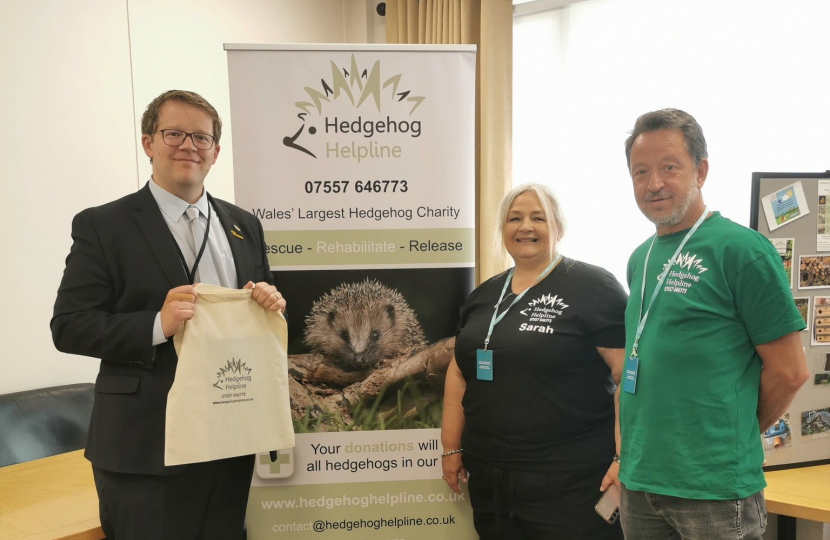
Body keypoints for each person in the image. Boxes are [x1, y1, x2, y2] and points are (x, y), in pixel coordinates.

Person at [51, 90, 285, 540]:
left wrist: (269, 303)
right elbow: (69, 326)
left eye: (201, 137)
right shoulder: (104, 225)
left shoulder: (244, 225)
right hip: (145, 446)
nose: (188, 146)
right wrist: (157, 325)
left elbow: (255, 313)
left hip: (230, 434)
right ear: (148, 143)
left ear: (216, 151)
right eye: (173, 133)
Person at [619, 108, 809, 539]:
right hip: (640, 482)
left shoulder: (742, 251)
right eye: (640, 171)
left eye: (669, 167)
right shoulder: (640, 258)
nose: (654, 184)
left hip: (714, 489)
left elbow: (791, 372)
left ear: (700, 170)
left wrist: (734, 433)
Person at [441, 183, 627, 539]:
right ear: (503, 230)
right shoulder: (484, 295)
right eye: (515, 218)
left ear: (558, 227)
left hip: (571, 481)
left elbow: (629, 378)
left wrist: (624, 457)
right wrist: (450, 447)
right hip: (491, 477)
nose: (525, 227)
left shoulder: (594, 287)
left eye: (537, 218)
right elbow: (460, 370)